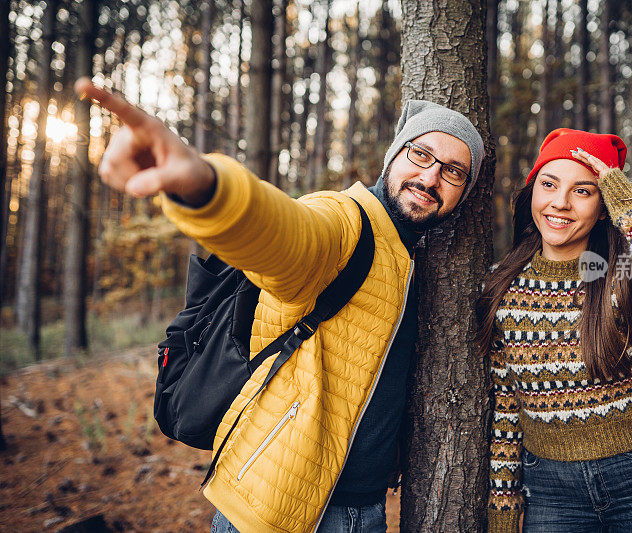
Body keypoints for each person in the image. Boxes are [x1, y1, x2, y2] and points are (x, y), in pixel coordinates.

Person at [74, 78, 485, 533]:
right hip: (270, 507)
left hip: (361, 511)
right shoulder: (349, 221)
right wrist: (205, 187)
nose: (430, 178)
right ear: (393, 156)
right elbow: (287, 234)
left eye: (452, 171)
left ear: (463, 192)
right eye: (420, 155)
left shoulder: (410, 256)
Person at [479, 128, 632, 532]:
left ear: (603, 208)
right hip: (550, 492)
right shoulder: (502, 287)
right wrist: (503, 510)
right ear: (532, 193)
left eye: (583, 190)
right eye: (549, 184)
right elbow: (506, 407)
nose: (559, 203)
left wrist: (628, 198)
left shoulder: (629, 279)